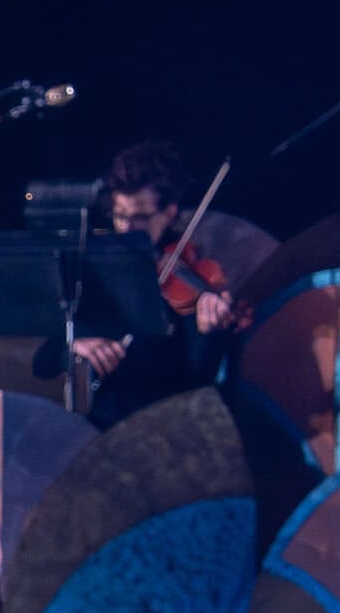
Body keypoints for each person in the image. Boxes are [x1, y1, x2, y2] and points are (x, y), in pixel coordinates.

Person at [39, 140, 243, 430]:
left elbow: (197, 377)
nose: (126, 228)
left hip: (166, 430)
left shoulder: (191, 276)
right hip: (95, 428)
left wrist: (208, 332)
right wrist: (72, 347)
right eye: (120, 216)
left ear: (169, 212)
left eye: (139, 218)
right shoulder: (94, 265)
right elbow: (42, 361)